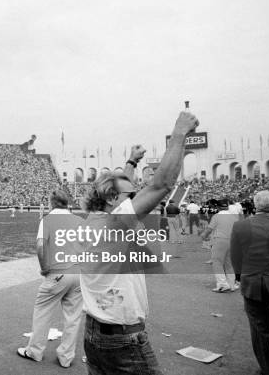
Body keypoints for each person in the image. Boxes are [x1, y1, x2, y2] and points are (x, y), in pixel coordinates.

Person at [79, 110, 199, 375]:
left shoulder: (93, 220)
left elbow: (119, 191)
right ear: (112, 199)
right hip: (123, 340)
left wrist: (131, 162)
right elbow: (161, 185)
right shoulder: (116, 223)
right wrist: (179, 134)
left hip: (94, 334)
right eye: (131, 195)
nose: (135, 198)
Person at [17, 190, 83, 368]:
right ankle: (66, 357)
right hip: (78, 272)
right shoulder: (79, 221)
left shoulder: (48, 220)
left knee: (43, 311)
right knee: (73, 317)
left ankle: (35, 351)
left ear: (51, 203)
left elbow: (40, 245)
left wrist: (44, 267)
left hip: (57, 271)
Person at [231, 190, 269, 375]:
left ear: (255, 205)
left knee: (259, 329)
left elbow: (236, 257)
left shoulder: (240, 226)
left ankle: (268, 369)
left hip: (253, 283)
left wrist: (239, 276)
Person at [200, 199, 238, 292]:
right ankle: (231, 284)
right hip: (232, 241)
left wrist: (203, 236)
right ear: (227, 207)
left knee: (217, 262)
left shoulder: (217, 216)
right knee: (229, 264)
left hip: (220, 240)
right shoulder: (234, 217)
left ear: (217, 207)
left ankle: (222, 284)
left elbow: (209, 229)